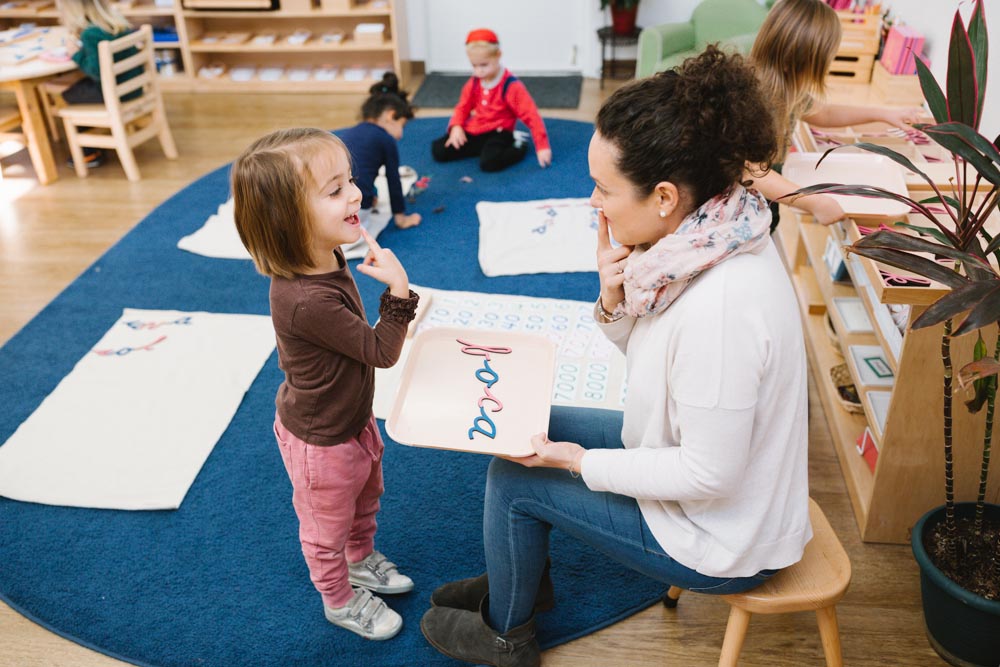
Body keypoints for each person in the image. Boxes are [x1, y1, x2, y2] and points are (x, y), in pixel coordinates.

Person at [420, 47, 812, 667]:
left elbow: (711, 476)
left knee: (520, 475)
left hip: (721, 538)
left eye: (603, 189)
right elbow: (653, 356)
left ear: (663, 196)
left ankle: (506, 637)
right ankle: (521, 578)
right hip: (693, 467)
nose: (592, 205)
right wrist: (614, 298)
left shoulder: (723, 307)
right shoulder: (704, 238)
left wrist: (581, 463)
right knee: (527, 424)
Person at [231, 128, 420, 641]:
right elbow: (381, 351)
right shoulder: (307, 299)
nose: (356, 193)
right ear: (290, 223)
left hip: (351, 419)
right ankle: (338, 599)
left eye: (350, 180)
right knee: (325, 529)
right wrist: (399, 291)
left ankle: (360, 560)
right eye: (335, 190)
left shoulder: (328, 254)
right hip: (323, 441)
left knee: (365, 498)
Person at [748, 0, 924, 227]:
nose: (829, 66)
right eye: (825, 61)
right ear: (799, 59)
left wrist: (884, 114)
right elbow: (749, 172)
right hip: (741, 208)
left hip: (765, 204)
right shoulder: (758, 99)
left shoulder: (788, 87)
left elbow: (825, 113)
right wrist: (814, 202)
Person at [431, 28, 552, 172]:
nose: (478, 71)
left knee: (488, 163)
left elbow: (531, 115)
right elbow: (462, 107)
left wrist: (542, 146)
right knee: (438, 150)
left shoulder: (511, 86)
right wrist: (456, 127)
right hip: (477, 129)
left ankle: (518, 144)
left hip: (500, 132)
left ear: (498, 55)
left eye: (483, 65)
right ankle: (483, 149)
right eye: (474, 66)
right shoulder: (474, 82)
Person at [339, 72, 422, 252]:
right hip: (355, 208)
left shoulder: (351, 132)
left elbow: (360, 170)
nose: (401, 134)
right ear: (391, 116)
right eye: (402, 125)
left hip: (332, 205)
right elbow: (393, 180)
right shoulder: (386, 139)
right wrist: (401, 217)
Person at [57, 0, 141, 169]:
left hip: (116, 93)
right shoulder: (117, 22)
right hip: (133, 87)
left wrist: (76, 55)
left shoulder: (90, 34)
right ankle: (100, 137)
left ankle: (89, 153)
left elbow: (95, 71)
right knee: (77, 87)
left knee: (69, 95)